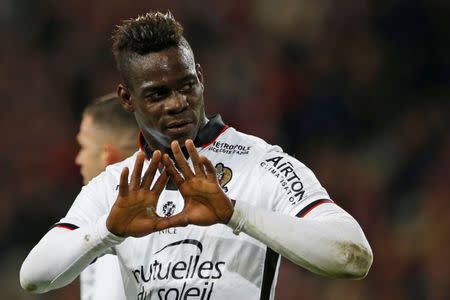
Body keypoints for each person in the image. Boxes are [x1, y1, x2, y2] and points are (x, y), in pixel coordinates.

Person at [20, 11, 373, 300]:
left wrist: (235, 214)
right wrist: (107, 231)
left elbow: (353, 256)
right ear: (127, 98)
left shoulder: (261, 165)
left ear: (201, 78)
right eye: (157, 94)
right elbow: (33, 277)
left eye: (186, 86)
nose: (177, 104)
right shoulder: (117, 188)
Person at [74, 93, 138, 299]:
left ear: (108, 157)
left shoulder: (117, 234)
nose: (78, 159)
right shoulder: (95, 220)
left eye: (83, 147)